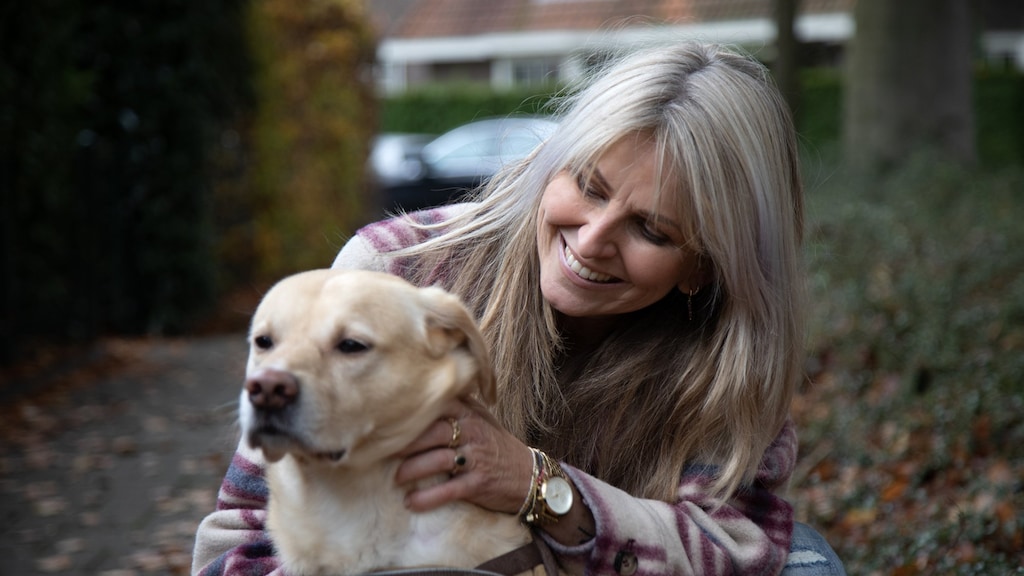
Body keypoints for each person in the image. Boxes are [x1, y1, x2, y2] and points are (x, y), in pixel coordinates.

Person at [192, 41, 845, 575]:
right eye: (587, 186)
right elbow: (234, 543)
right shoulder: (396, 276)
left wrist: (540, 486)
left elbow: (737, 548)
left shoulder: (728, 354)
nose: (590, 242)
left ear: (705, 266)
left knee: (808, 565)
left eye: (651, 230)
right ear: (551, 164)